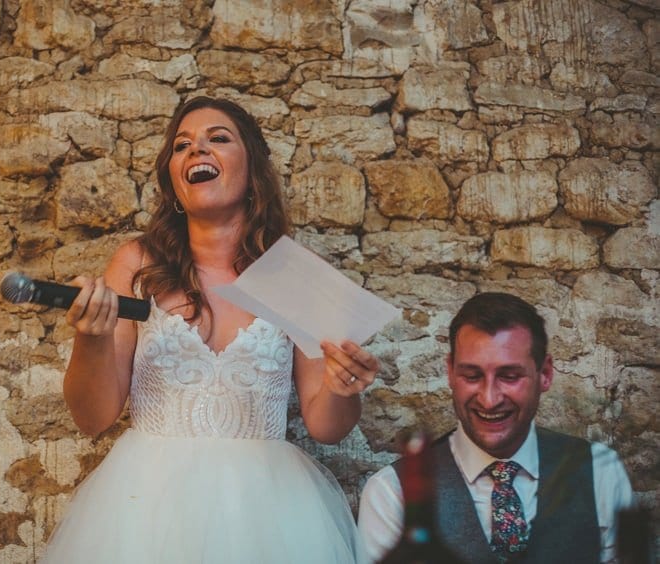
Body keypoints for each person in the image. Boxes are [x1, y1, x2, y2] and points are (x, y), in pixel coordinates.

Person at [40, 96, 380, 563]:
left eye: (217, 138)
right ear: (173, 177)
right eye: (182, 146)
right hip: (145, 512)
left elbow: (326, 426)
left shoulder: (294, 275)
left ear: (253, 168)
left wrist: (344, 387)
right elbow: (92, 417)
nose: (197, 150)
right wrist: (91, 337)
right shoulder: (137, 264)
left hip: (269, 513)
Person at [356, 292, 634, 564]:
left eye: (509, 376)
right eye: (472, 375)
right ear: (450, 373)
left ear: (545, 374)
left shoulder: (601, 473)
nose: (489, 399)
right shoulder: (392, 494)